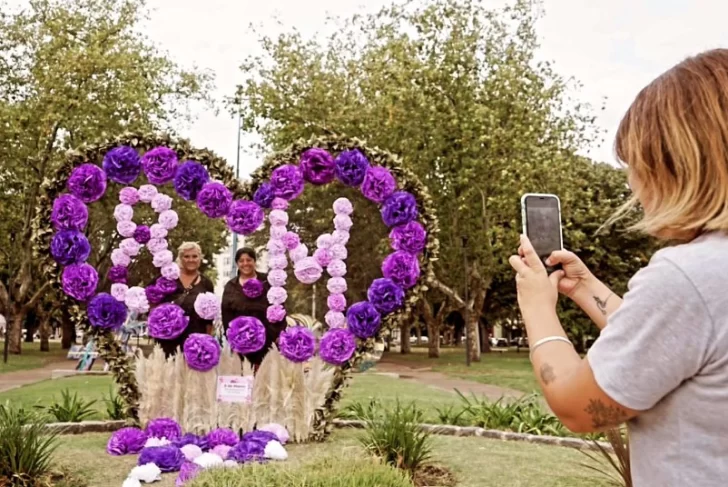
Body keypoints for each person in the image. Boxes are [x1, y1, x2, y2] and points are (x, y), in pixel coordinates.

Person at [509, 49, 728, 486]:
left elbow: (578, 406)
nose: (633, 182)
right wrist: (587, 289)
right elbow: (682, 345)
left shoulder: (687, 274)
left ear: (677, 162)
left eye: (637, 163)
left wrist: (537, 307)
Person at [222, 247, 285, 370]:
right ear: (237, 263)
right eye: (241, 261)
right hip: (241, 342)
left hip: (267, 339)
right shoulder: (230, 286)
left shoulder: (267, 281)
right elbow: (226, 315)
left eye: (249, 260)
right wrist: (232, 339)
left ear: (254, 261)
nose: (245, 263)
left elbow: (280, 308)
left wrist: (276, 334)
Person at [156, 242, 214, 357]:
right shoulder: (169, 278)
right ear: (180, 258)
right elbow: (153, 300)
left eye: (194, 256)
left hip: (196, 338)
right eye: (186, 256)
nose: (190, 260)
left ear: (200, 258)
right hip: (169, 337)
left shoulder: (206, 283)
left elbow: (210, 317)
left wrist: (207, 339)